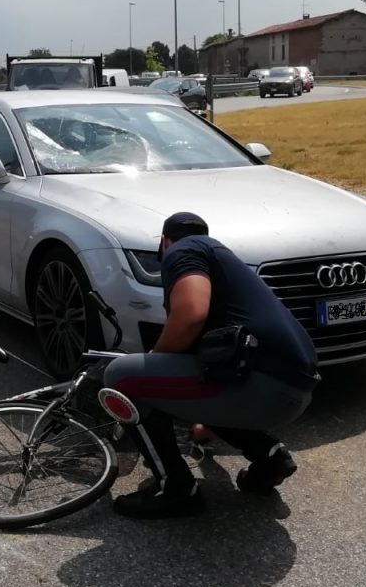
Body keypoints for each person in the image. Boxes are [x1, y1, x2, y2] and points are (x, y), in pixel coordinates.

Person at [104, 212, 319, 519]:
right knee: (191, 377)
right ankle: (269, 456)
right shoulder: (227, 263)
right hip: (294, 390)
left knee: (122, 377)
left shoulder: (184, 249)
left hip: (261, 384)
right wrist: (203, 420)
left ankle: (176, 489)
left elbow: (191, 314)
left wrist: (152, 362)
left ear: (164, 242)